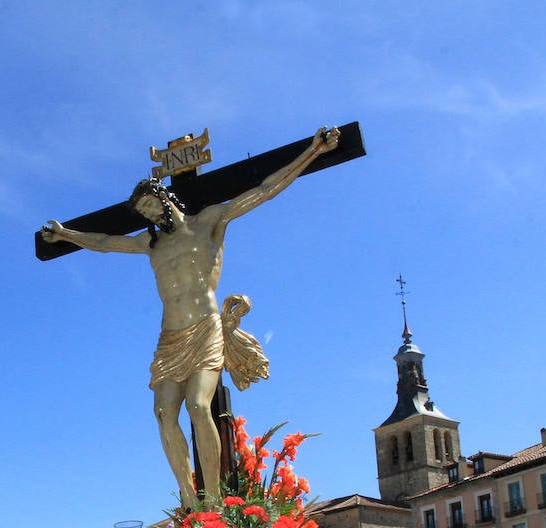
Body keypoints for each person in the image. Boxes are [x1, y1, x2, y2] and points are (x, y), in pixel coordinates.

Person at [40, 126, 340, 508]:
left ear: (166, 199)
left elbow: (263, 190)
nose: (150, 215)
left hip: (205, 327)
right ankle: (189, 498)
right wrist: (67, 235)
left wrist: (312, 151)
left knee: (200, 406)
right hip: (171, 335)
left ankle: (212, 498)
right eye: (144, 212)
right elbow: (104, 243)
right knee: (164, 412)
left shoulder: (208, 221)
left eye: (152, 206)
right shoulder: (151, 244)